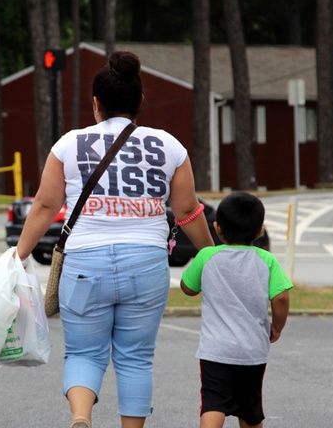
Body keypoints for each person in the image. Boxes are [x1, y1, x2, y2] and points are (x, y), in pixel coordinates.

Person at [16, 50, 215, 428]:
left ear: (96, 103)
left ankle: (81, 416)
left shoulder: (68, 146)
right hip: (146, 262)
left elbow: (45, 204)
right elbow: (188, 209)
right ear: (140, 100)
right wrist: (212, 252)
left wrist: (19, 253)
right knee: (136, 357)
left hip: (84, 263)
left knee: (83, 354)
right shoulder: (169, 146)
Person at [179, 191, 293, 428]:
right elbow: (281, 297)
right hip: (252, 351)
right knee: (250, 410)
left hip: (215, 350)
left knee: (213, 404)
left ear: (217, 228)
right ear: (259, 230)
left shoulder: (207, 256)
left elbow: (187, 288)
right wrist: (278, 327)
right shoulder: (267, 260)